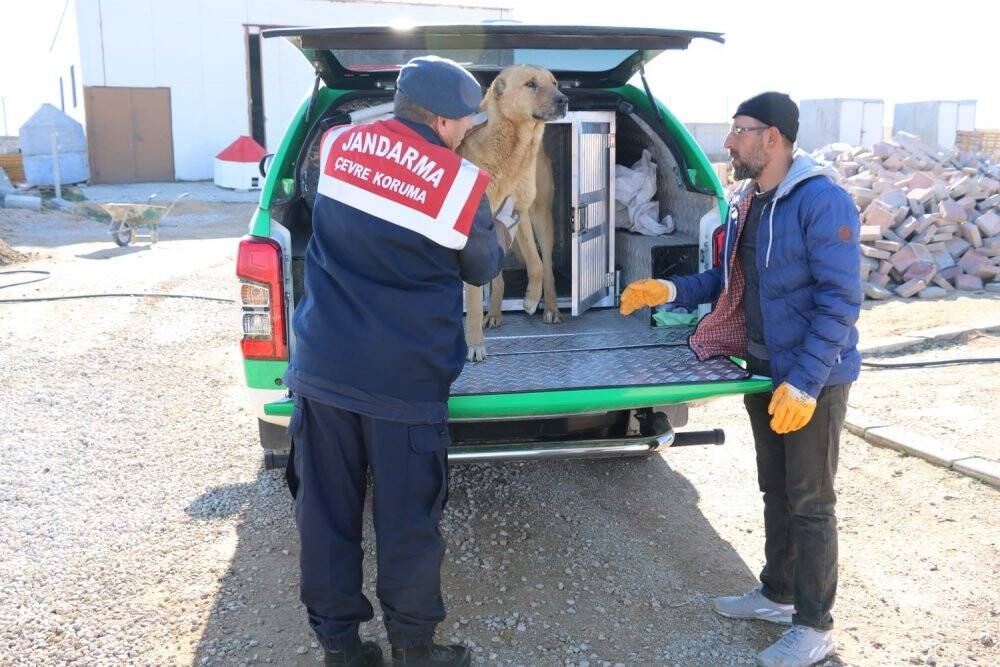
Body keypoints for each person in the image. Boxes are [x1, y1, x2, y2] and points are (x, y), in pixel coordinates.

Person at [283, 56, 518, 667]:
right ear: (440, 118)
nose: (470, 129)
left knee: (325, 514)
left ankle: (341, 649)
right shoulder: (461, 186)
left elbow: (315, 211)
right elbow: (483, 268)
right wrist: (500, 232)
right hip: (403, 381)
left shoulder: (337, 144)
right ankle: (414, 650)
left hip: (325, 367)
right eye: (466, 120)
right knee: (408, 522)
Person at [619, 92, 862, 667]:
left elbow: (839, 303)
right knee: (774, 491)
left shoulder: (821, 201)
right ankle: (778, 593)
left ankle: (814, 624)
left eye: (739, 131)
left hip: (812, 380)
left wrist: (803, 383)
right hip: (763, 371)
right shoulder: (749, 201)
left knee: (811, 503)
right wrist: (672, 290)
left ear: (771, 138)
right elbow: (730, 280)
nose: (729, 142)